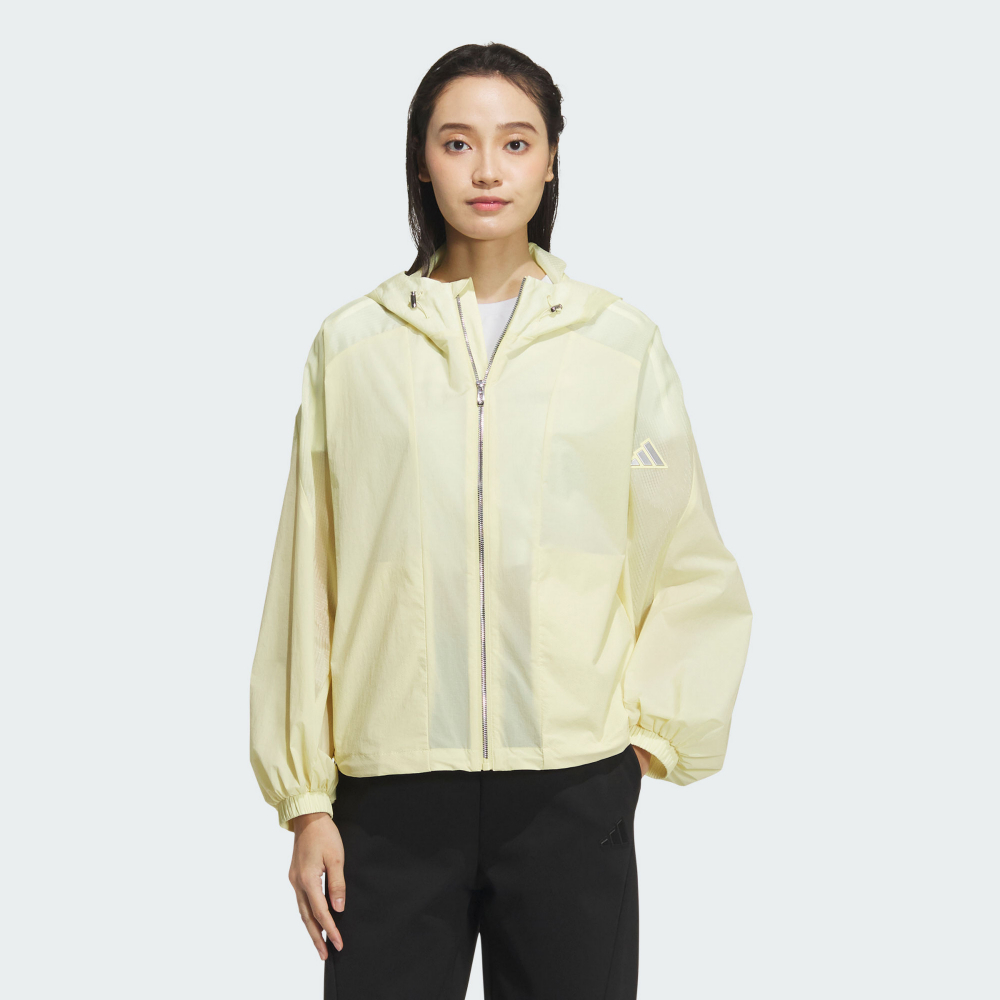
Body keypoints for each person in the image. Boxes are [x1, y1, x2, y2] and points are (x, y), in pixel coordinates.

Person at [249, 42, 752, 1000]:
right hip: (388, 797)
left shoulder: (620, 345)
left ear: (551, 160)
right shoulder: (352, 348)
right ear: (421, 159)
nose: (487, 170)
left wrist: (641, 747)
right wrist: (306, 801)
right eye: (458, 143)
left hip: (572, 787)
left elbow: (683, 550)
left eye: (516, 143)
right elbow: (307, 576)